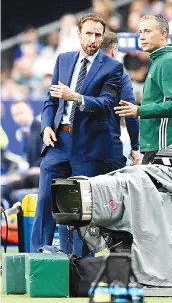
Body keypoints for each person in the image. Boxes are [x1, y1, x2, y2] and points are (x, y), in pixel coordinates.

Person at [30, 13, 124, 254]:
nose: (93, 39)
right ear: (79, 34)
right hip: (58, 141)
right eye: (89, 33)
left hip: (88, 147)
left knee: (81, 208)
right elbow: (50, 100)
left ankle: (81, 265)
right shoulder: (63, 59)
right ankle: (37, 258)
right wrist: (47, 127)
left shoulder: (113, 67)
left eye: (98, 35)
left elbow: (106, 104)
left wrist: (77, 97)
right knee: (44, 201)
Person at [114, 14, 172, 164]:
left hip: (164, 146)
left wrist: (139, 110)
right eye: (140, 32)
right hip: (160, 145)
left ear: (164, 34)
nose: (142, 37)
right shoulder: (160, 60)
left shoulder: (168, 61)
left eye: (147, 31)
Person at [100, 31, 140, 165]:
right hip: (109, 146)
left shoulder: (81, 70)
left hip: (80, 147)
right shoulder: (120, 73)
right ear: (114, 50)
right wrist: (135, 146)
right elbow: (129, 111)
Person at [1, 101, 42, 207]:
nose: (18, 117)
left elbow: (43, 157)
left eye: (21, 113)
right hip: (27, 172)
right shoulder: (24, 132)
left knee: (7, 188)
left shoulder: (40, 128)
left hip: (37, 174)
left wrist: (21, 175)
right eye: (15, 115)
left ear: (31, 111)